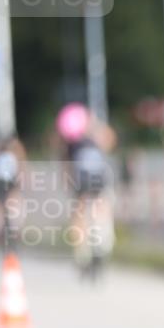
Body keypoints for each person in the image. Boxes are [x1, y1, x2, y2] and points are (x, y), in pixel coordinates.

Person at [55, 102, 117, 273]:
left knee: (80, 215)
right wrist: (96, 125)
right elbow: (111, 140)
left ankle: (83, 252)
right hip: (98, 180)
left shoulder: (71, 145)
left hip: (82, 181)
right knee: (99, 212)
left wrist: (67, 182)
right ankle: (100, 245)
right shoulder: (94, 139)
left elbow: (66, 167)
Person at [0, 135, 27, 252]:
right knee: (11, 208)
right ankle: (12, 233)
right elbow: (20, 173)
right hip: (6, 183)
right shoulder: (14, 157)